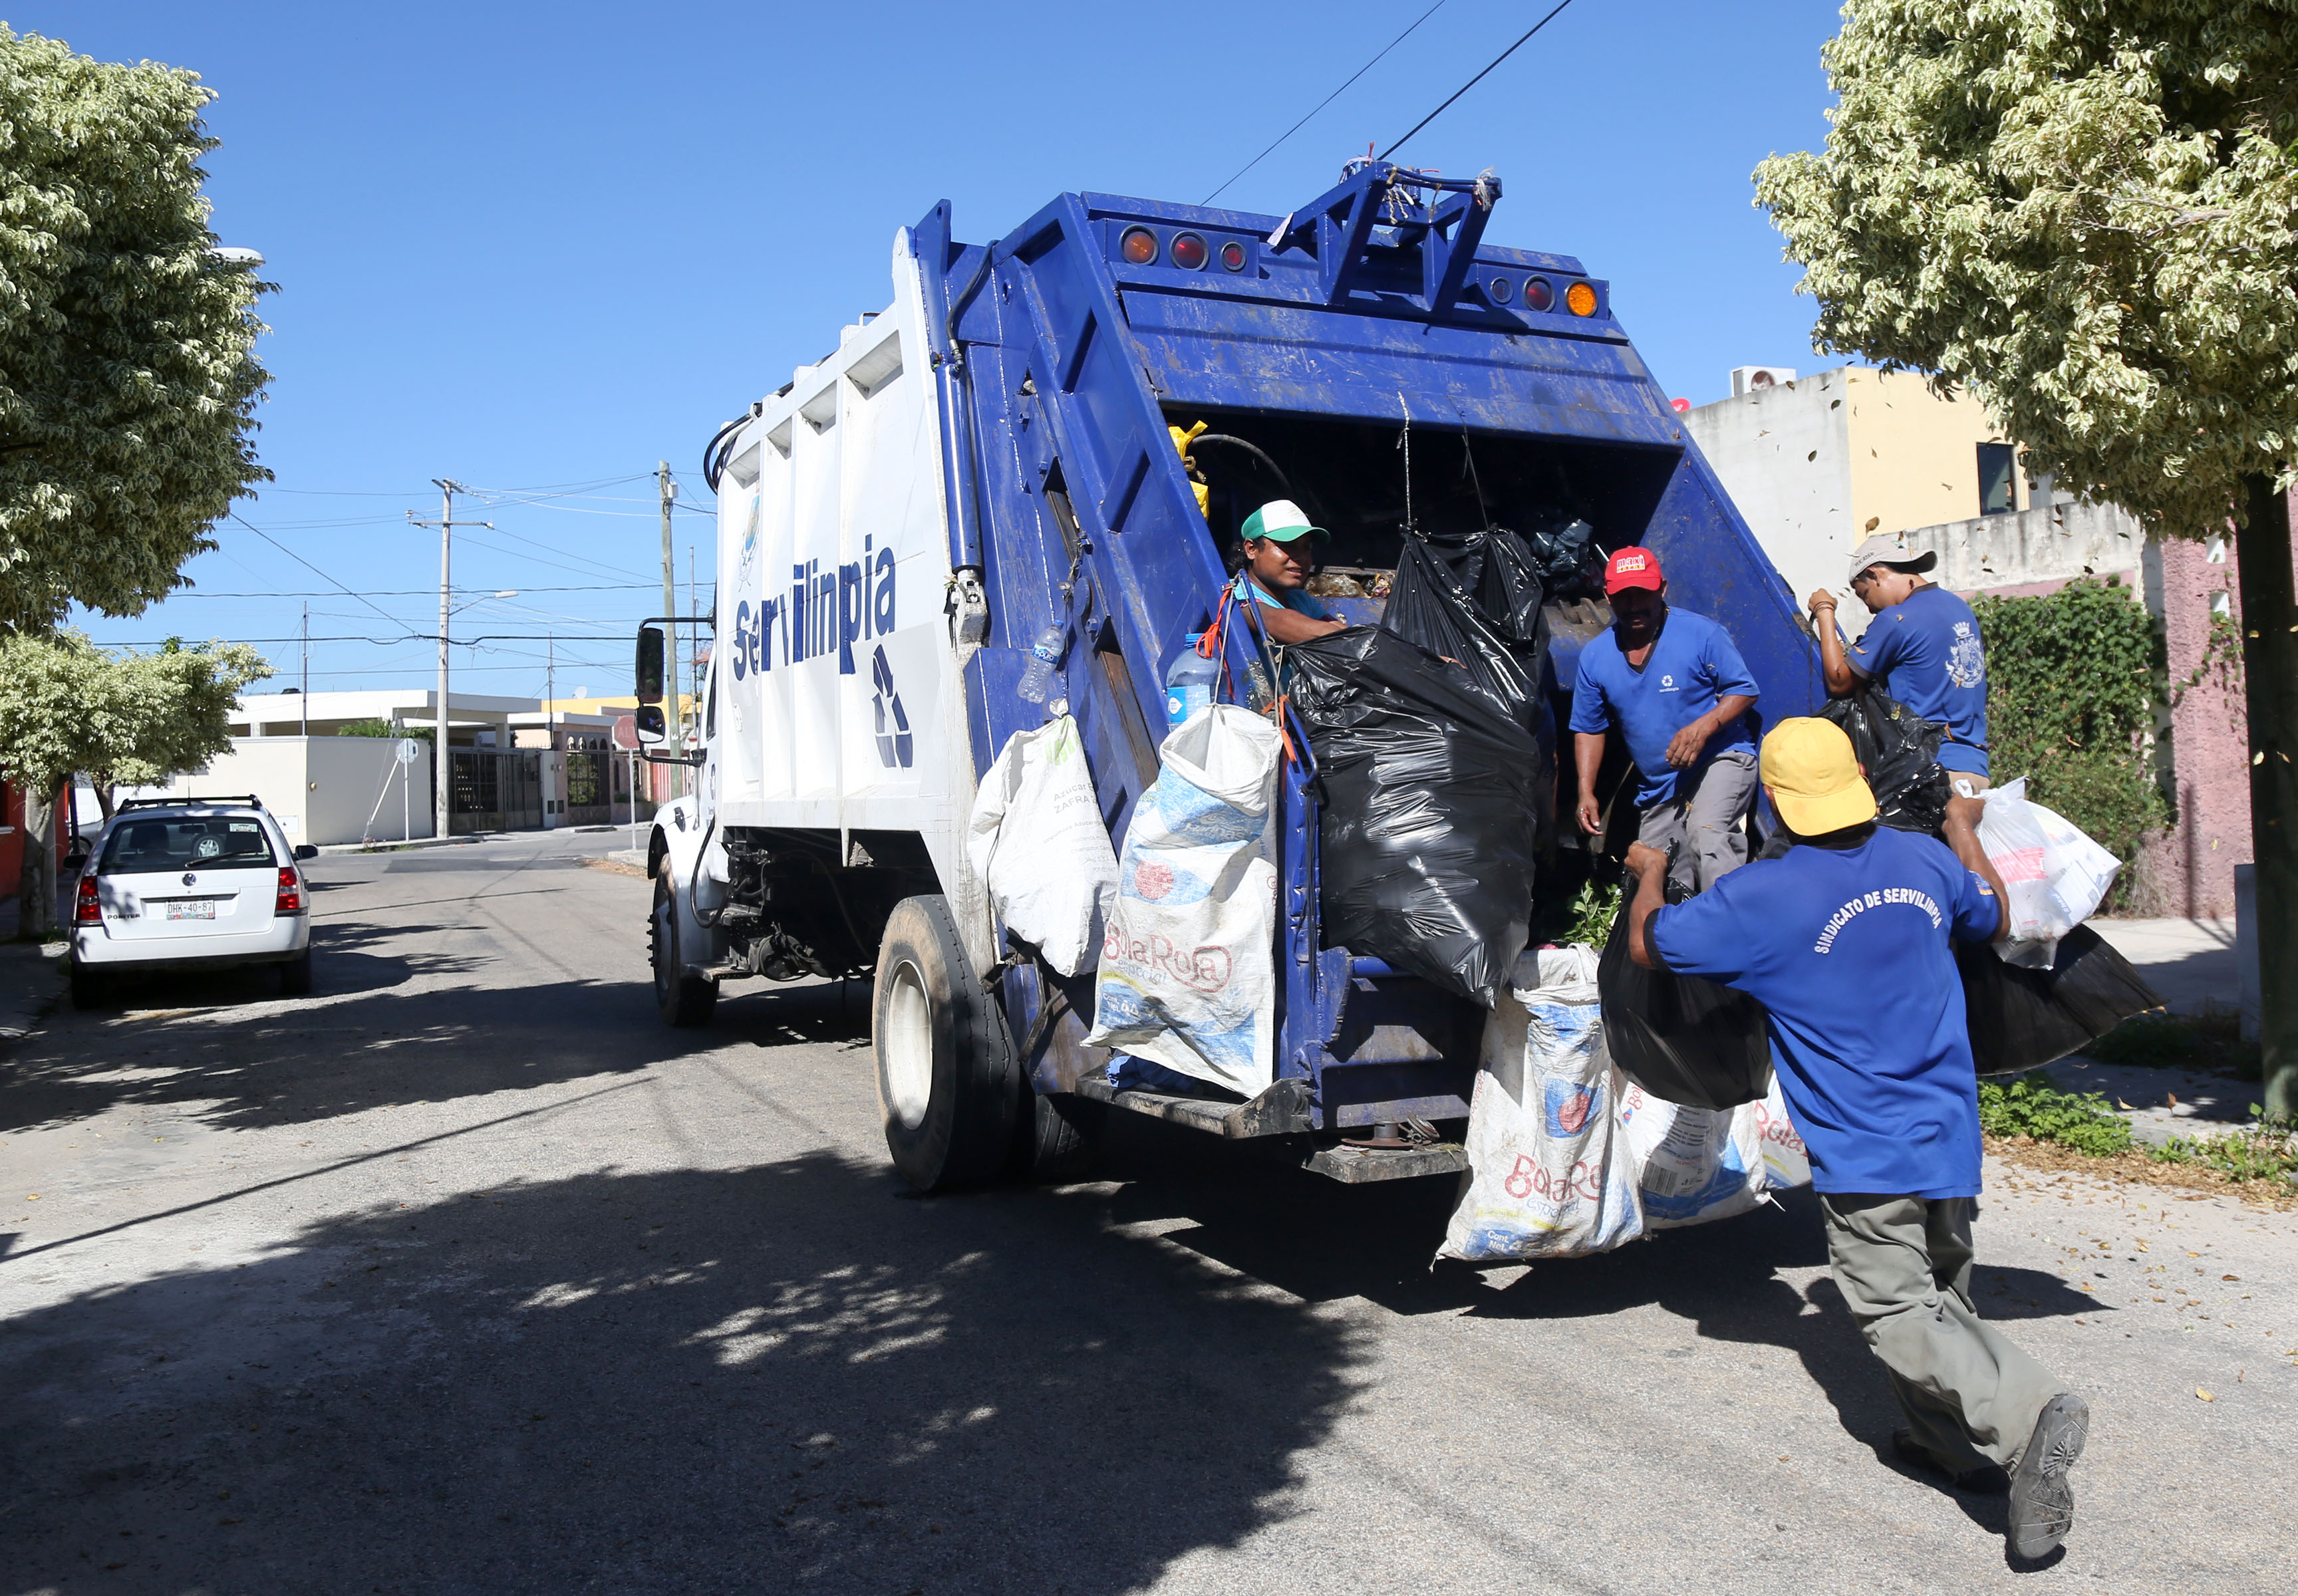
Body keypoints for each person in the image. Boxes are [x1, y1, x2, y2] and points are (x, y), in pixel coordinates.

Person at [1622, 717, 2088, 1561]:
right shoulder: (1920, 860)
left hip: (1864, 1148)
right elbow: (1993, 916)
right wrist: (1959, 827)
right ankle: (1949, 1448)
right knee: (1941, 1297)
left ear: (1770, 799)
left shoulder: (1757, 902)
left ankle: (2026, 1413)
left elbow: (1649, 947)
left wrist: (1649, 871)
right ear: (1855, 784)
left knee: (1891, 1307)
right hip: (1947, 1131)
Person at [1570, 547, 1760, 895]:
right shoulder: (1596, 656)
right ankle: (1672, 944)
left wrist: (1703, 727)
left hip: (1719, 758)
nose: (1633, 605)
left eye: (1642, 593)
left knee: (1708, 835)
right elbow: (1589, 727)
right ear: (1608, 597)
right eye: (1623, 596)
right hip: (1660, 784)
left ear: (1663, 589)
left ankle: (1734, 935)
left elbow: (1744, 691)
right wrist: (1586, 791)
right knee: (1654, 873)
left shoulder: (1702, 634)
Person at [1810, 535, 1991, 791]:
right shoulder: (1960, 609)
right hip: (1975, 768)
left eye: (1864, 595)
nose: (1869, 608)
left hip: (1928, 771)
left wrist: (1824, 611)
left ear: (1875, 575)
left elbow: (1839, 681)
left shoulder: (1897, 620)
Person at [1228, 500, 1346, 645]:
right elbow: (1274, 620)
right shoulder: (1236, 596)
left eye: (1307, 547)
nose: (1302, 557)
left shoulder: (1299, 599)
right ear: (1251, 549)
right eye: (1288, 546)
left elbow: (1342, 632)